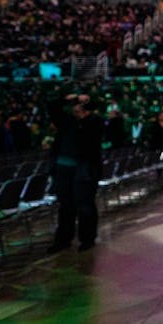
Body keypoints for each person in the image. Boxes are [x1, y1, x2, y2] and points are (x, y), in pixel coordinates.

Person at [46, 93, 104, 253]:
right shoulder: (67, 121)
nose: (77, 106)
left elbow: (91, 137)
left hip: (84, 169)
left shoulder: (95, 122)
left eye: (81, 104)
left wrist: (85, 109)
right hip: (63, 168)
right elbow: (51, 106)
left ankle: (87, 239)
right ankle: (63, 239)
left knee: (85, 205)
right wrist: (66, 98)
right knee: (65, 206)